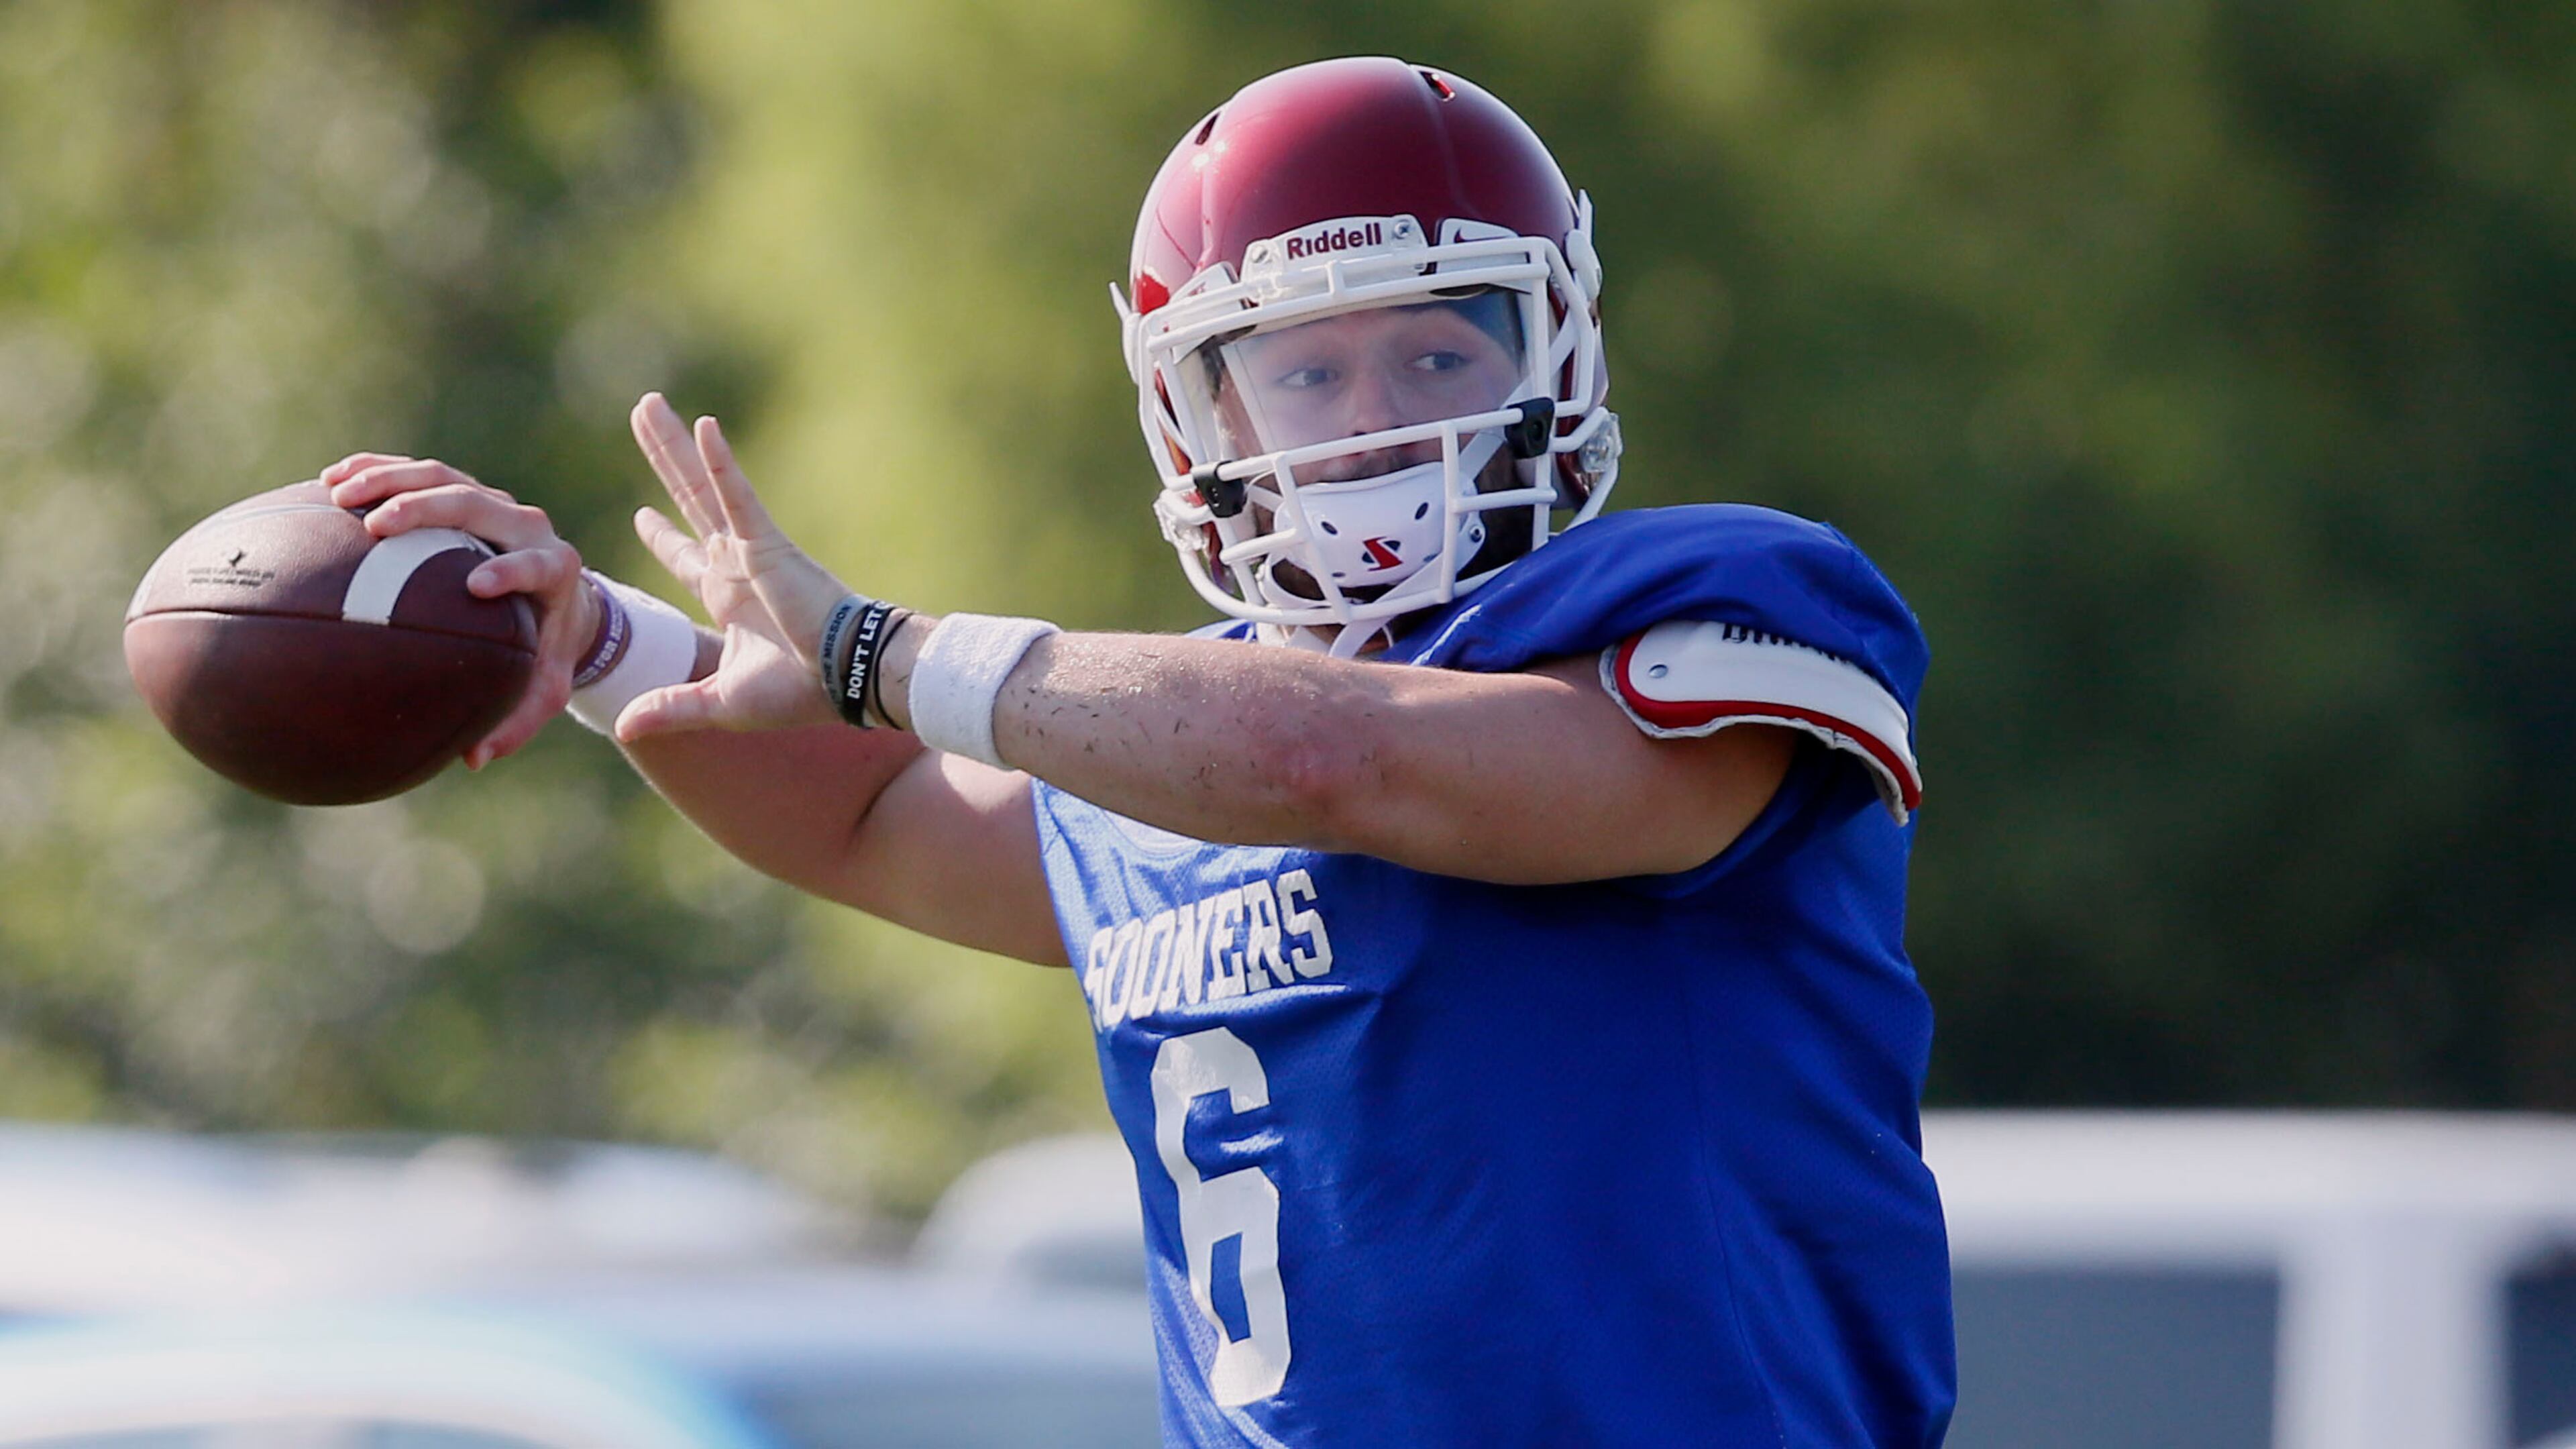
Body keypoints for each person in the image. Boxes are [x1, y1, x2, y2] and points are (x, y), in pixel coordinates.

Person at [324, 56, 1954, 1448]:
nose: (1376, 415)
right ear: (1204, 423)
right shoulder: (1161, 741)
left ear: (1559, 355)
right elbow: (879, 811)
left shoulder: (1709, 604)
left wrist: (872, 650)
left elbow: (1343, 766)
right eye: (1306, 372)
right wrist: (603, 643)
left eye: (1441, 353)